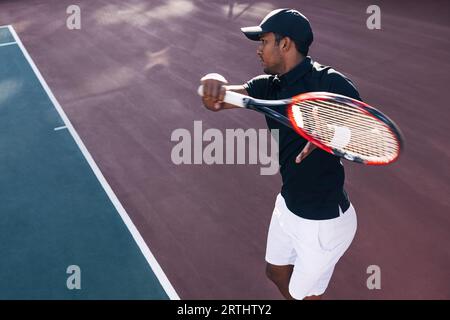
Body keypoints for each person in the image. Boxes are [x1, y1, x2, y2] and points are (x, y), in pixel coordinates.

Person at [200, 8, 360, 300]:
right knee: (274, 272)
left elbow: (366, 130)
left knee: (303, 296)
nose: (259, 50)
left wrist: (330, 135)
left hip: (322, 222)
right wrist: (211, 81)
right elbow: (218, 101)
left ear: (285, 44)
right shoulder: (267, 88)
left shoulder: (329, 83)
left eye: (264, 42)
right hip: (288, 204)